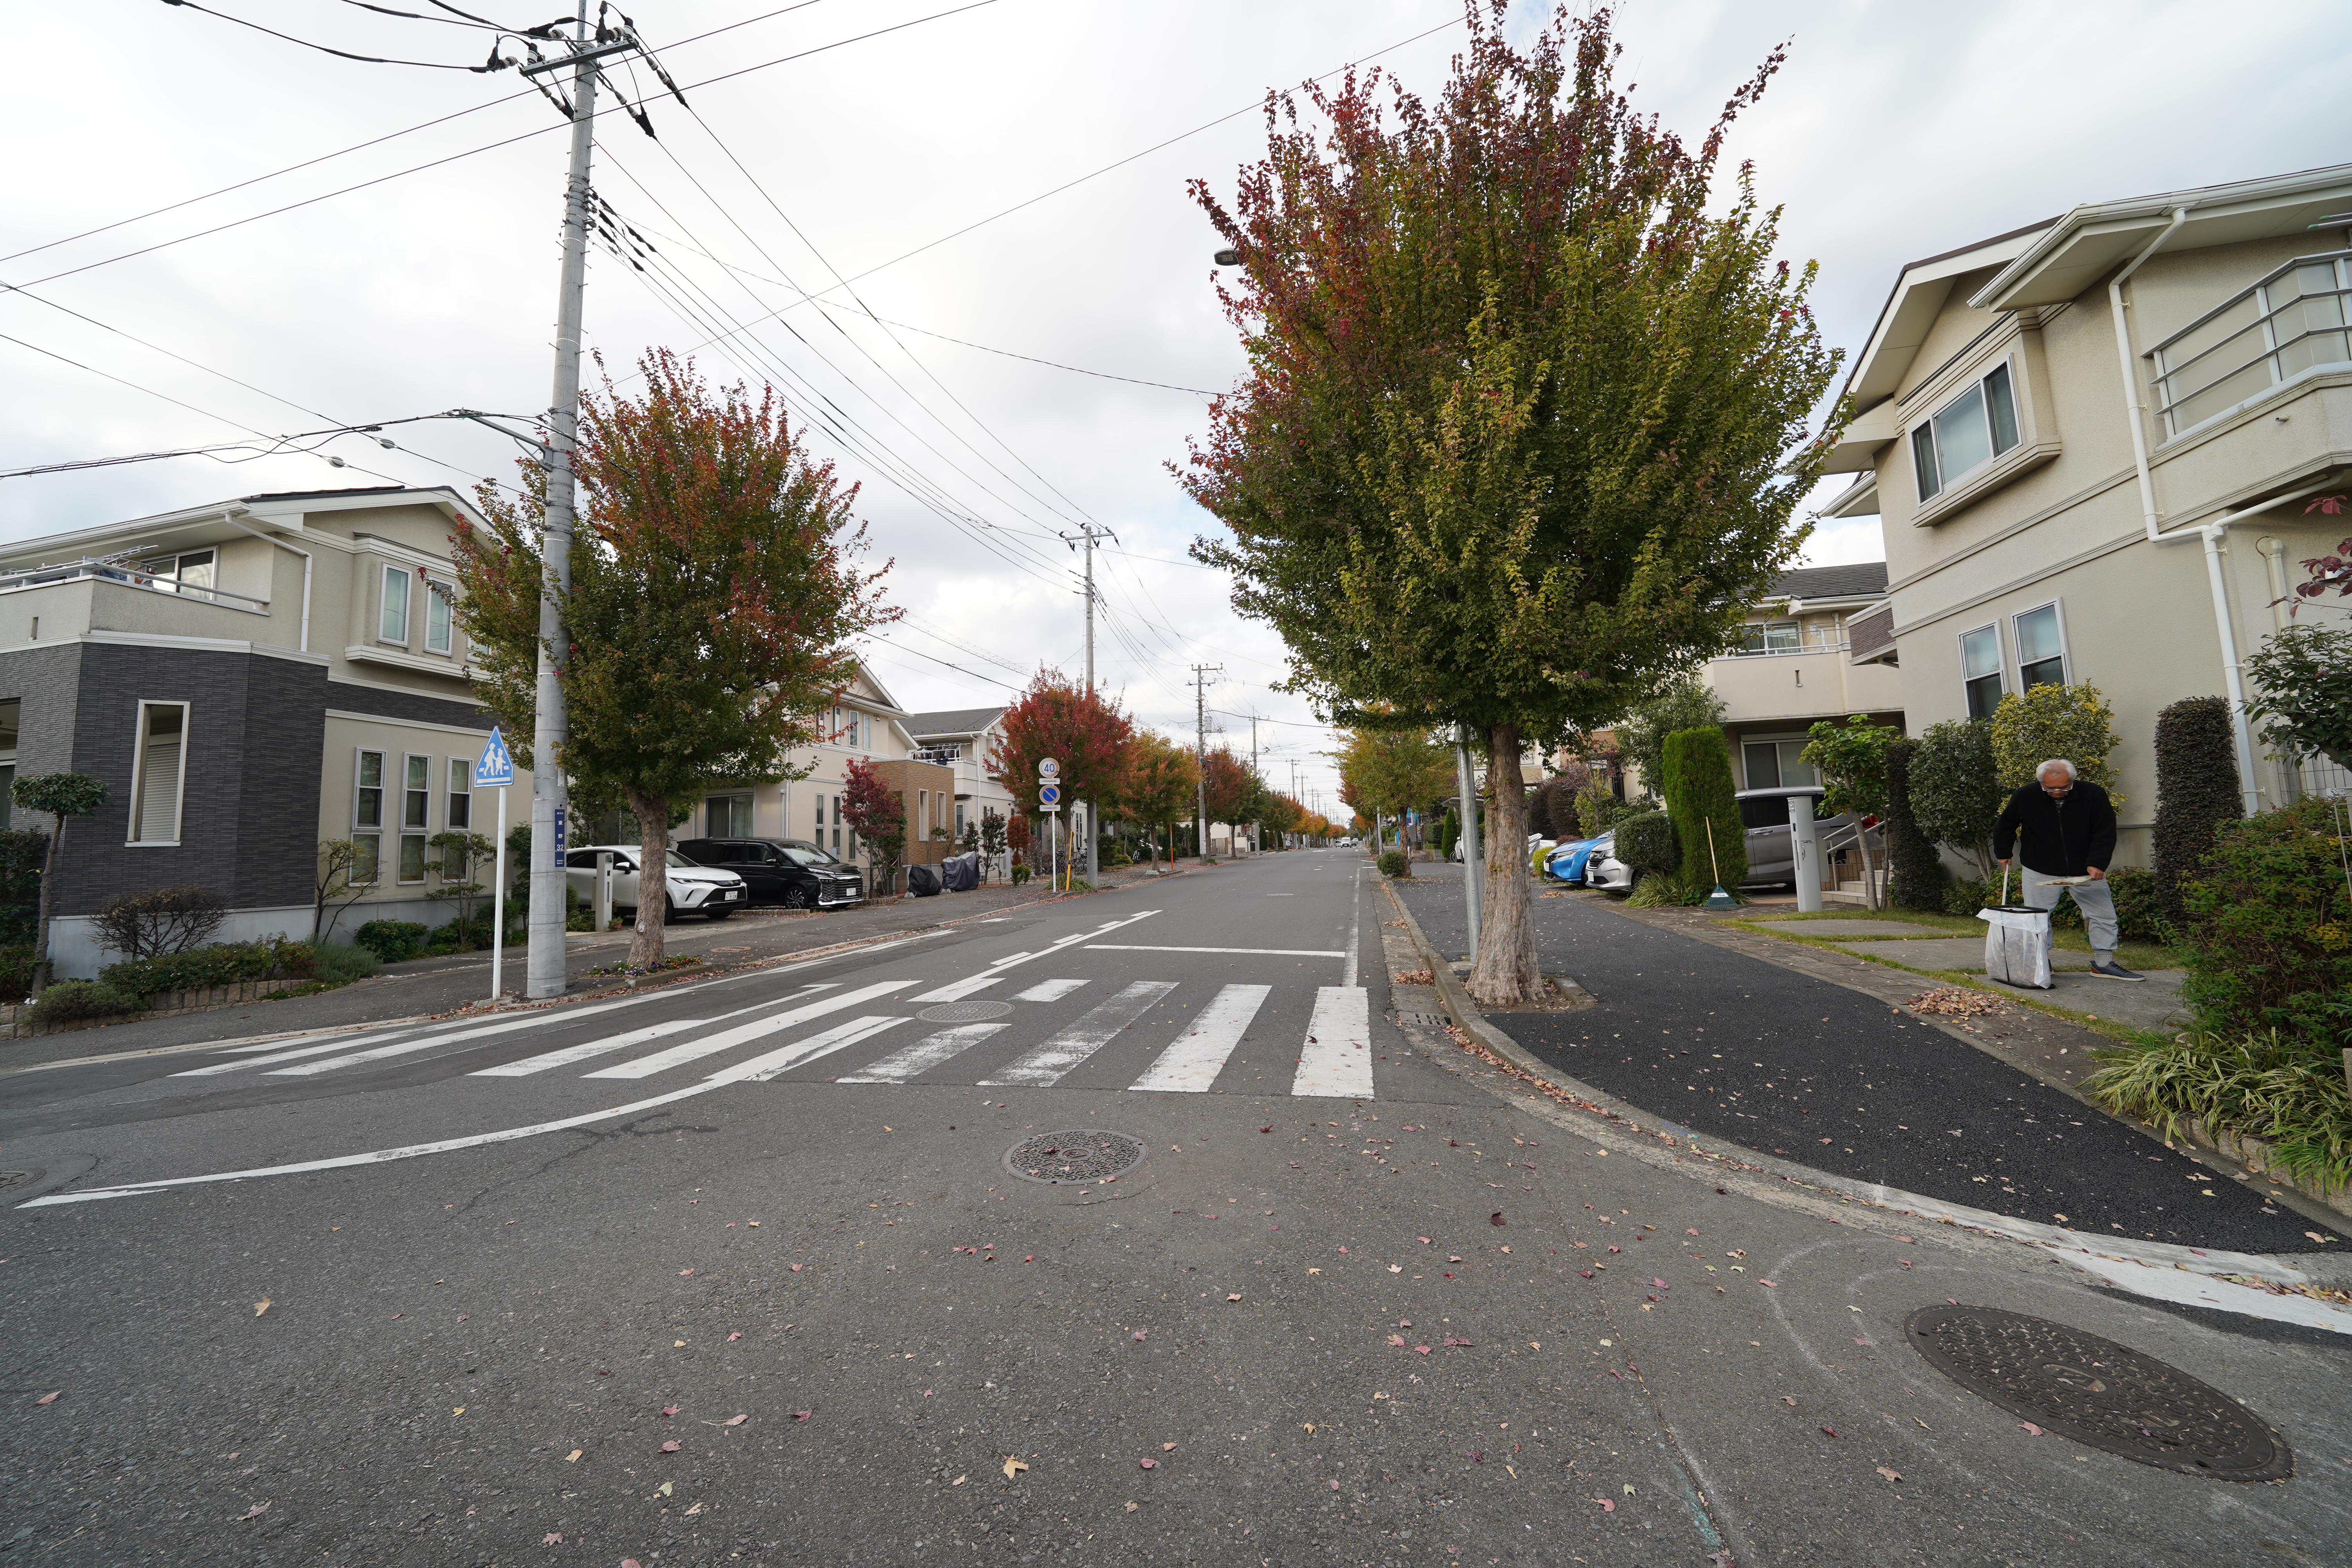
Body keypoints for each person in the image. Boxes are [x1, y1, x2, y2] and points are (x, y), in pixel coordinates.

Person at [1993, 758, 2141, 981]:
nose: (2057, 792)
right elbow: (2005, 824)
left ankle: (2103, 963)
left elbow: (2105, 830)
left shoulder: (2093, 794)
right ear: (2041, 782)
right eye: (2050, 788)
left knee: (2103, 914)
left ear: (2073, 780)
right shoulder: (2025, 795)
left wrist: (2098, 862)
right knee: (2037, 918)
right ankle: (2042, 963)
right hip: (2040, 867)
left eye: (2064, 787)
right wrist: (2003, 852)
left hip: (2085, 870)